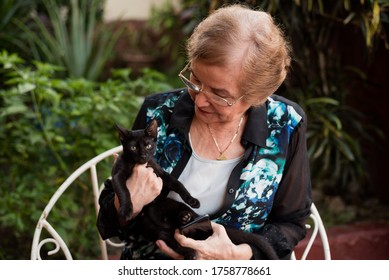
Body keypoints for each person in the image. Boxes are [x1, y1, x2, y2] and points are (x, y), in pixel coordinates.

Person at [97, 4, 312, 260]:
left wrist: (238, 255)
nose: (199, 101)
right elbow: (109, 223)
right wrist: (128, 201)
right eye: (195, 80)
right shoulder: (158, 113)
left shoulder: (285, 124)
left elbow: (292, 222)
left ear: (257, 96)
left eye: (220, 95)